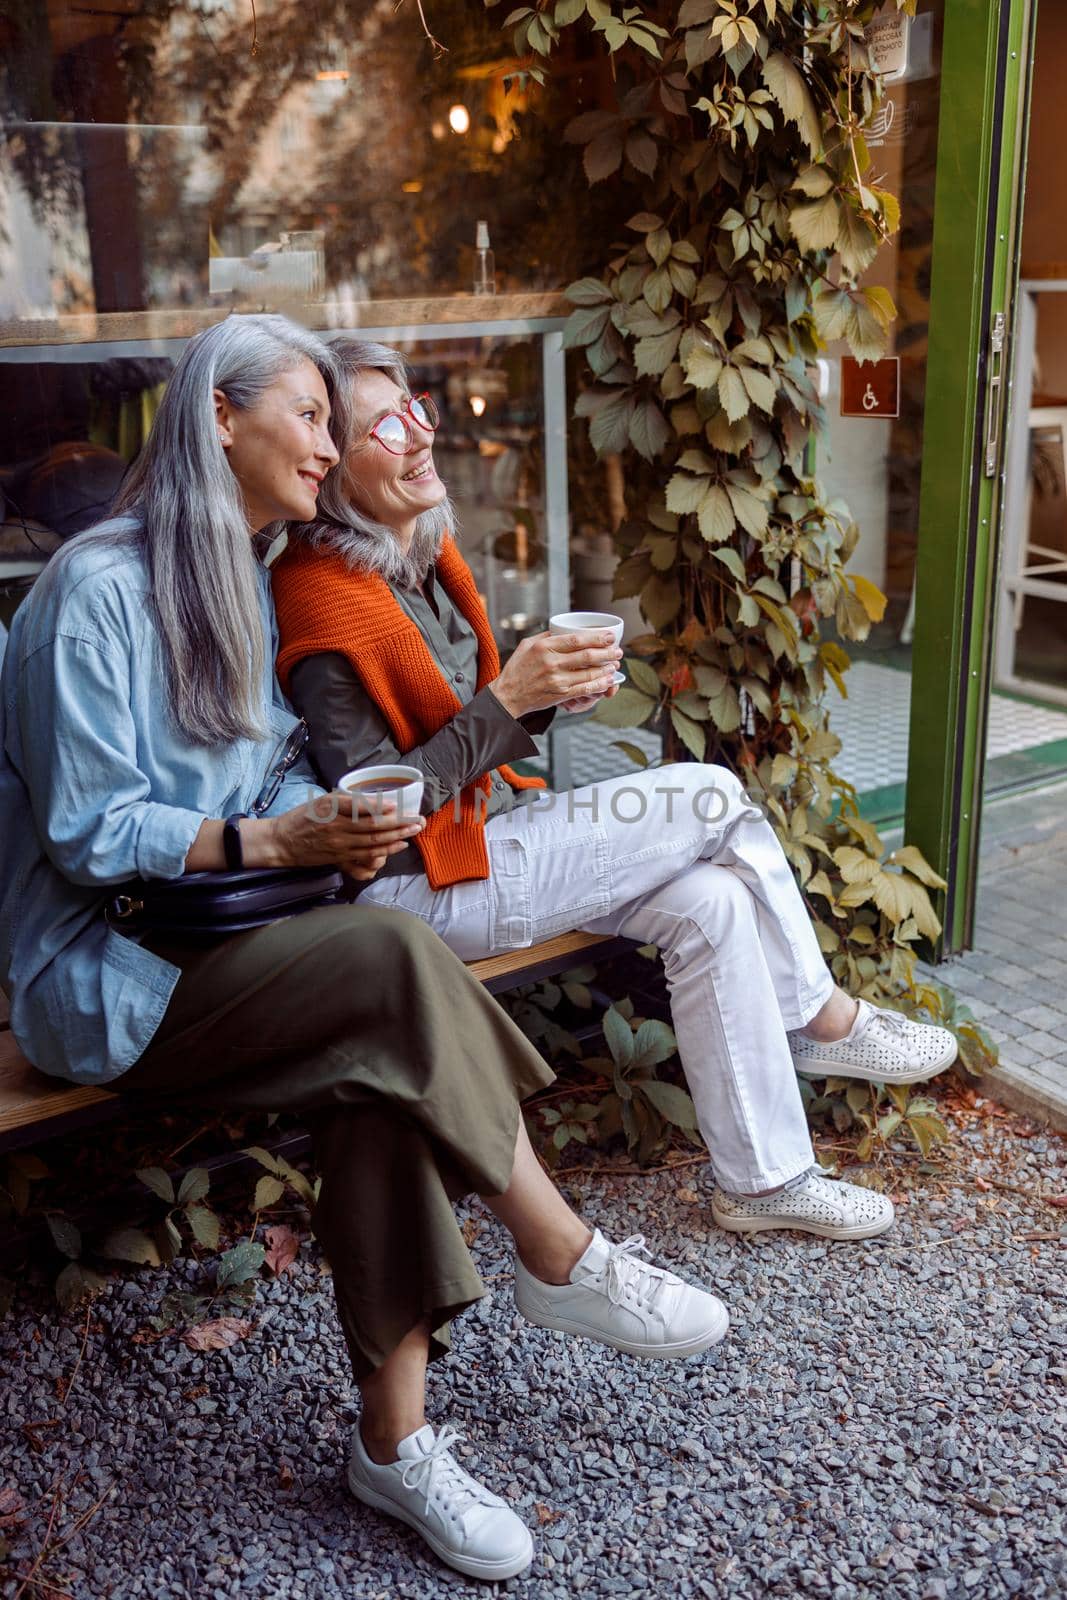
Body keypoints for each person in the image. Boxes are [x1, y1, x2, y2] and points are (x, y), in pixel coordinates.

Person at [0, 314, 729, 1585]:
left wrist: (350, 814)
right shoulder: (99, 591)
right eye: (310, 415)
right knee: (390, 963)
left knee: (376, 1058)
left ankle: (393, 1450)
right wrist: (274, 842)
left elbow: (286, 765)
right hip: (112, 973)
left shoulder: (260, 566)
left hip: (236, 947)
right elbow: (88, 830)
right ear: (219, 419)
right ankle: (559, 1250)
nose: (331, 446)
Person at [272, 337, 959, 1246]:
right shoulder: (320, 598)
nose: (420, 436)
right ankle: (822, 1016)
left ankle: (764, 1183)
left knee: (712, 901)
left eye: (418, 410)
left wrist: (539, 702)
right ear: (331, 470)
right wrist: (511, 697)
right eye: (384, 425)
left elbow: (472, 738)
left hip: (483, 845)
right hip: (411, 895)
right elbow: (379, 817)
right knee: (710, 793)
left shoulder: (424, 564)